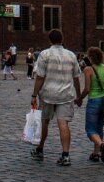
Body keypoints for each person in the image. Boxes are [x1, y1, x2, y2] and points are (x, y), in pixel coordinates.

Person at [31, 29, 83, 166]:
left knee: (45, 122)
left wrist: (34, 95)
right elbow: (76, 78)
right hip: (65, 95)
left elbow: (39, 77)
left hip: (47, 94)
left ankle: (40, 149)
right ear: (62, 39)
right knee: (63, 123)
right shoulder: (71, 55)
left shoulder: (44, 54)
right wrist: (79, 96)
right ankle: (65, 155)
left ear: (49, 40)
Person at [78, 47, 104, 163]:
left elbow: (87, 89)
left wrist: (79, 98)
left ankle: (102, 145)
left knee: (90, 130)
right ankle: (96, 154)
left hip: (94, 101)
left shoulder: (88, 69)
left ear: (90, 57)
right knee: (99, 128)